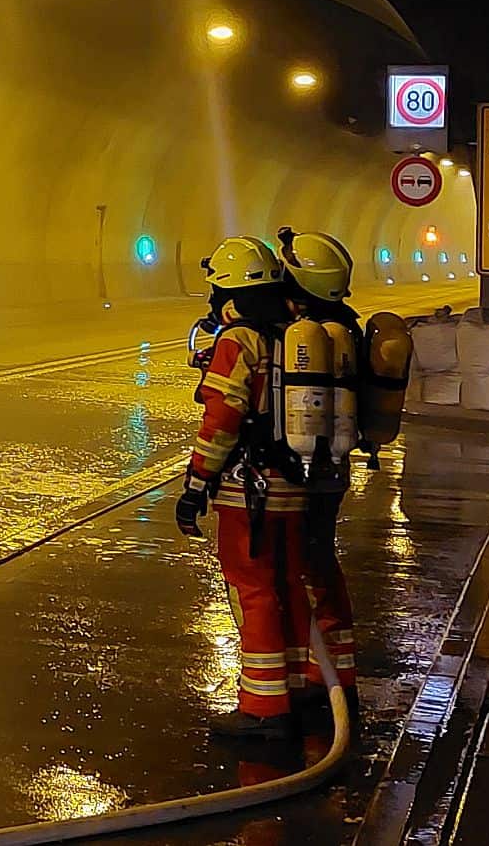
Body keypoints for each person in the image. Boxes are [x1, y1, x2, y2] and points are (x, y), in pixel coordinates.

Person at [176, 235, 309, 739]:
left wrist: (195, 485)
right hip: (297, 482)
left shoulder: (238, 341)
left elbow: (221, 420)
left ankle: (262, 708)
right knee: (288, 585)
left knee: (251, 591)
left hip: (247, 488)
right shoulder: (295, 333)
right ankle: (300, 688)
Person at [275, 227, 359, 715]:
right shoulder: (345, 328)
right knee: (320, 560)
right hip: (335, 465)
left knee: (297, 567)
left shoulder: (300, 337)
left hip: (300, 468)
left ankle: (311, 679)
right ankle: (333, 671)